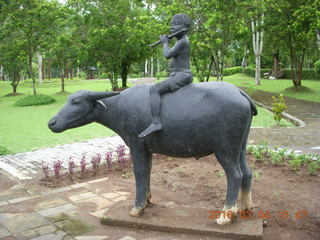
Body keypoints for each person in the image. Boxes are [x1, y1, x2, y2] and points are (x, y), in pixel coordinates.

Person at [139, 13, 193, 138]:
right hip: (176, 74)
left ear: (185, 26)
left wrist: (164, 43)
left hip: (182, 75)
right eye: (171, 25)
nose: (172, 28)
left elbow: (167, 54)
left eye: (176, 24)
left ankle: (156, 122)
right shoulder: (180, 41)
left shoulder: (183, 42)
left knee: (154, 89)